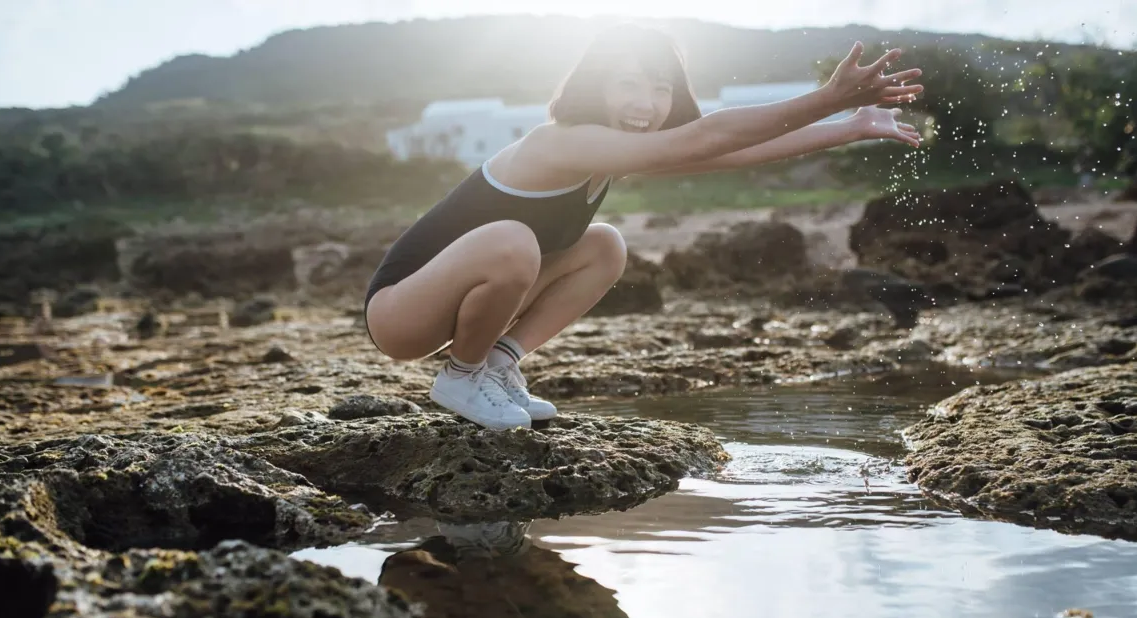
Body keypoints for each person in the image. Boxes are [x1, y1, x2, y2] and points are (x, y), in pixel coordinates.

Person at [364, 24, 923, 430]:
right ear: (595, 86)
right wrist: (827, 96)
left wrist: (848, 126)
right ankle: (460, 378)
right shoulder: (562, 141)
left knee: (604, 244)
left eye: (661, 90)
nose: (647, 103)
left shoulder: (613, 153)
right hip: (401, 313)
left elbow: (728, 152)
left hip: (464, 297)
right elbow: (706, 138)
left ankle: (498, 363)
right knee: (511, 239)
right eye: (629, 85)